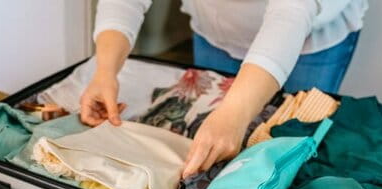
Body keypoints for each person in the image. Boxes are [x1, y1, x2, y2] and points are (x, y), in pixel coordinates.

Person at [80, 0, 367, 178]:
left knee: (293, 152)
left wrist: (234, 113)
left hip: (308, 36)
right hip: (216, 28)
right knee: (215, 143)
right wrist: (105, 71)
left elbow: (291, 13)